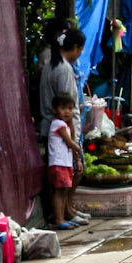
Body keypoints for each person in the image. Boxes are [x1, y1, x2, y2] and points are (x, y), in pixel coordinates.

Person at [47, 88, 82, 229]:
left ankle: (62, 218)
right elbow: (69, 142)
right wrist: (79, 149)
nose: (67, 112)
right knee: (59, 192)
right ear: (55, 110)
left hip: (64, 162)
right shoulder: (58, 124)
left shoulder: (65, 125)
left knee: (63, 191)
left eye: (69, 108)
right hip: (58, 163)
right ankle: (59, 219)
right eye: (63, 108)